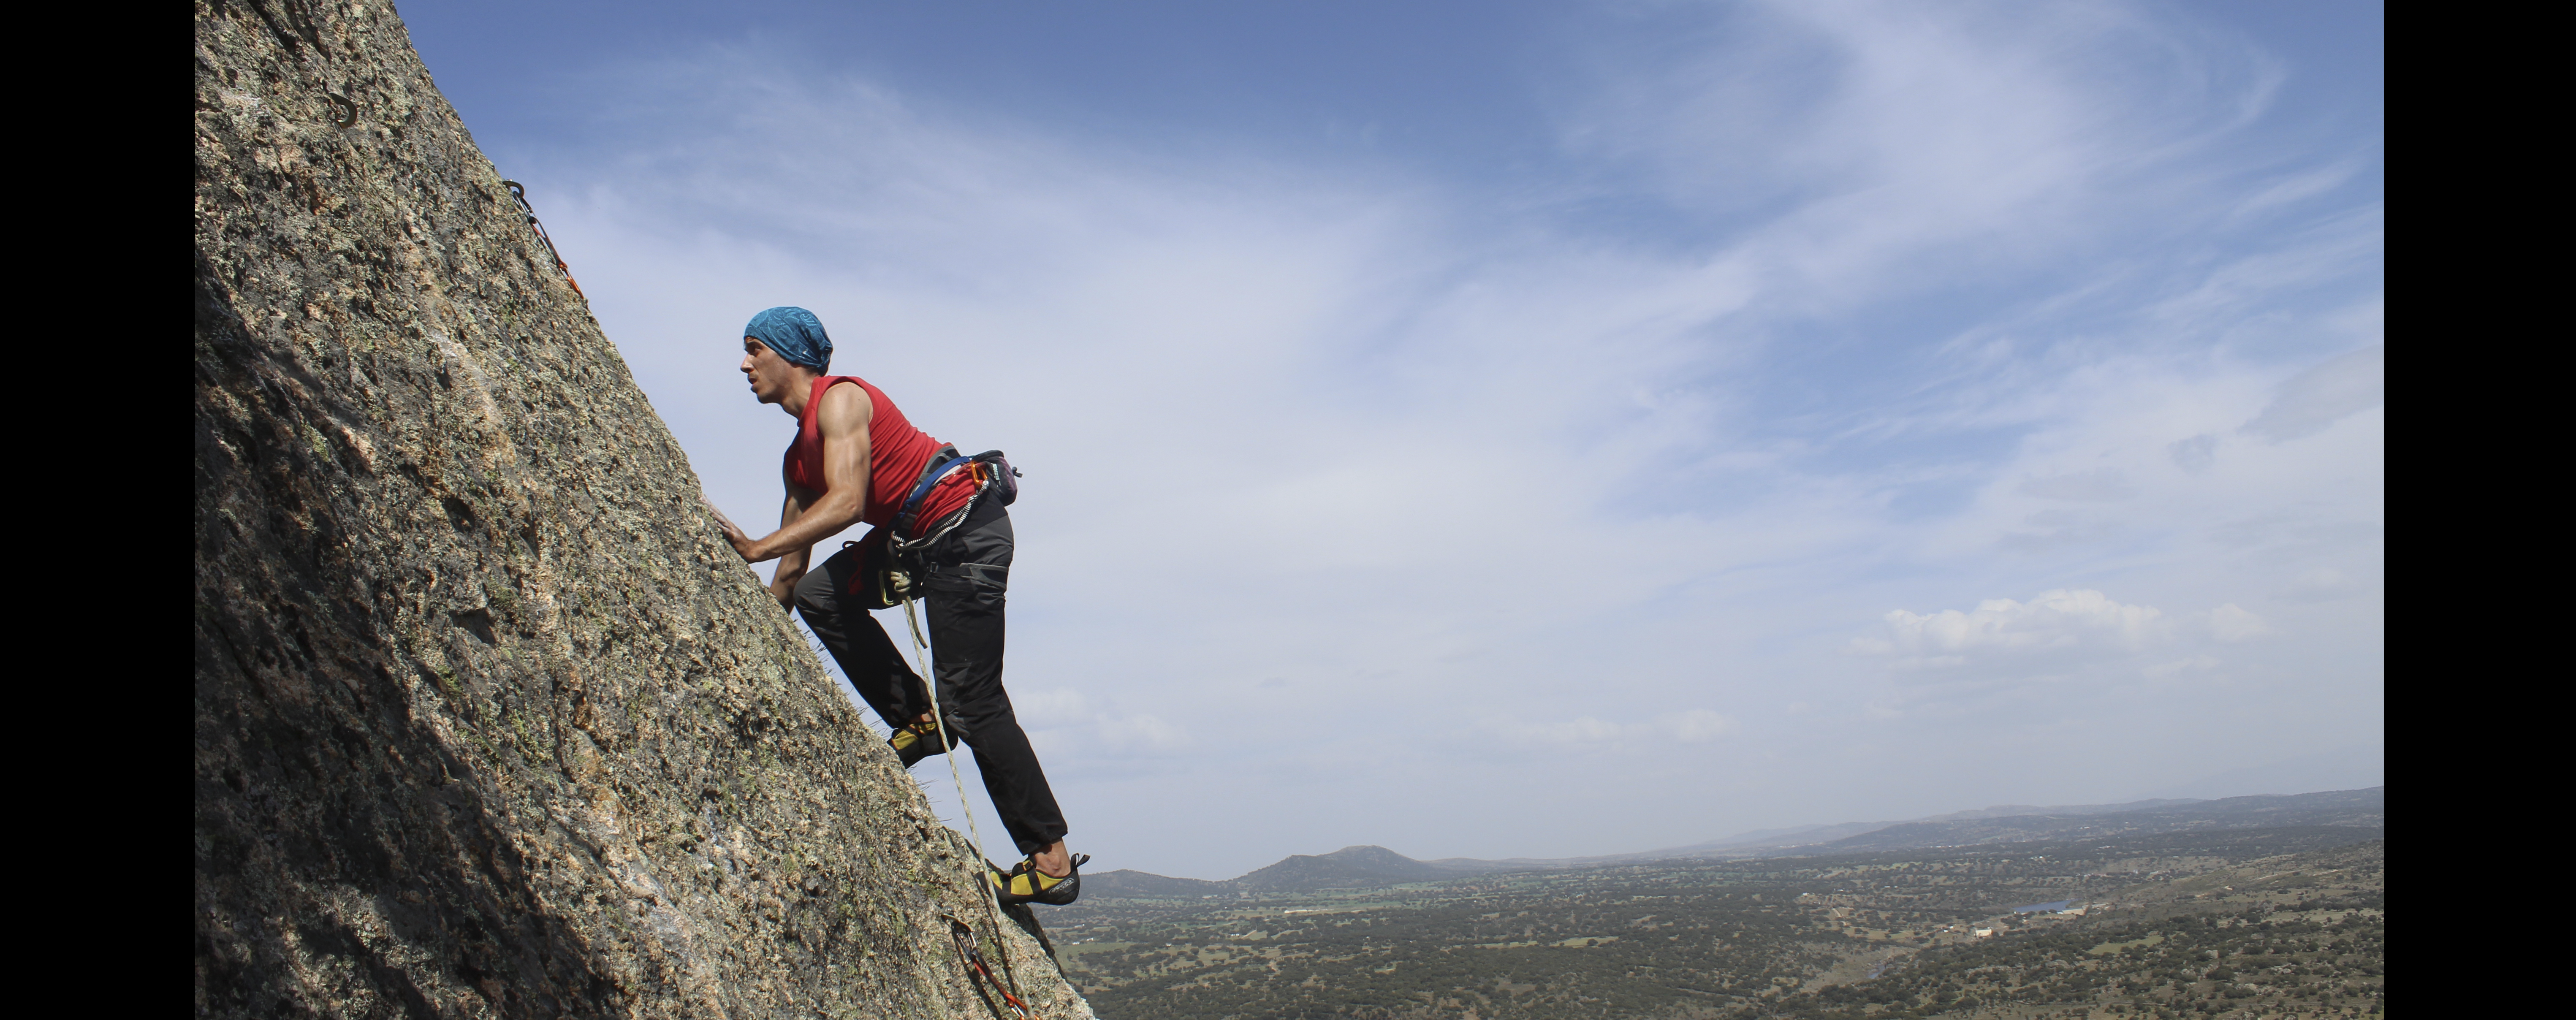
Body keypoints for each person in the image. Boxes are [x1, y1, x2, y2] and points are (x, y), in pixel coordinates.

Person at [706, 306, 1083, 906]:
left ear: (791, 355)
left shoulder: (841, 401)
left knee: (971, 698)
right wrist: (747, 640)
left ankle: (1052, 863)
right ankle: (919, 720)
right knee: (820, 595)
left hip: (964, 532)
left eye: (755, 349)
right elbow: (792, 574)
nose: (745, 364)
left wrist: (753, 547)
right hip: (917, 541)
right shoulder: (797, 459)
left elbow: (848, 502)